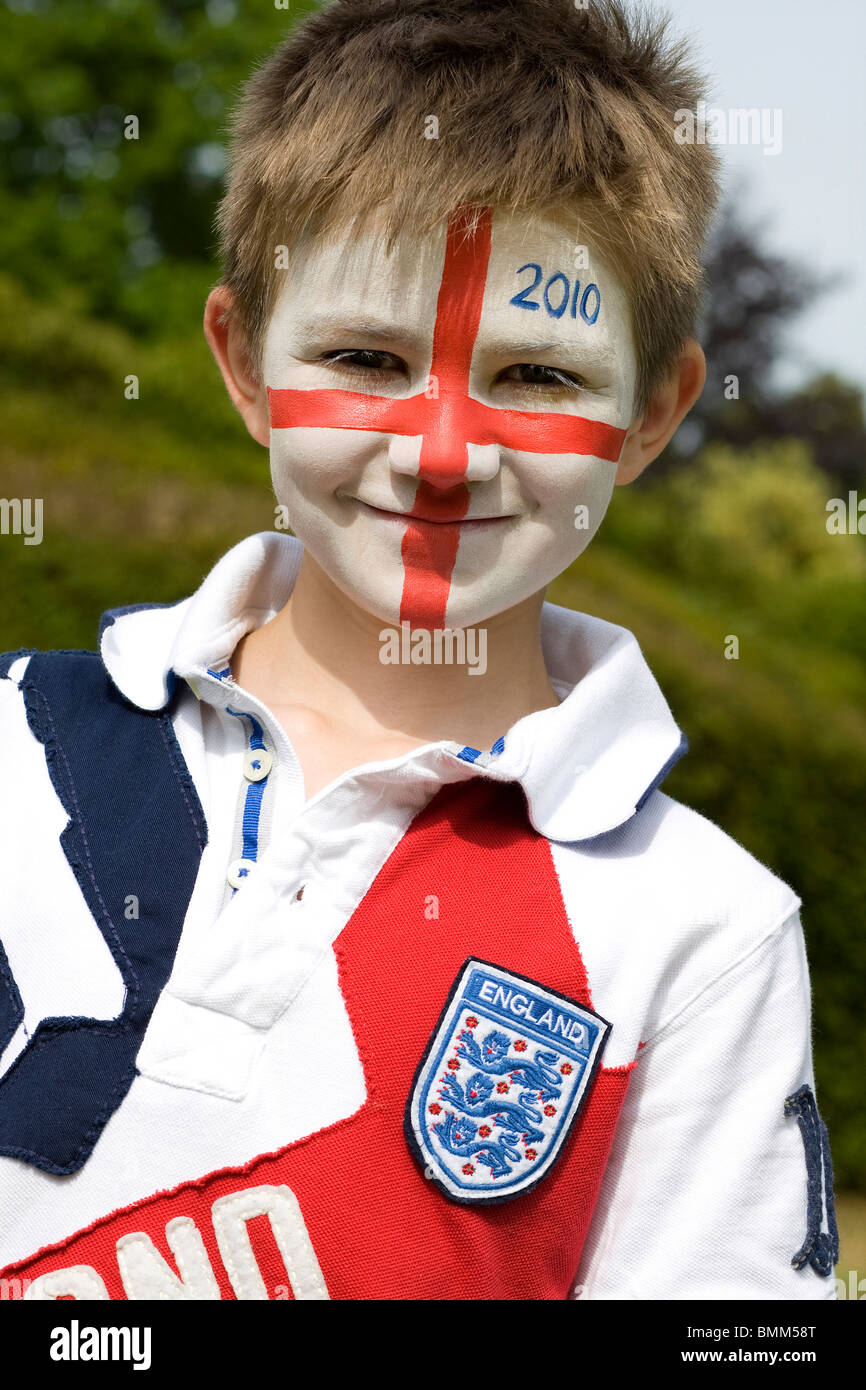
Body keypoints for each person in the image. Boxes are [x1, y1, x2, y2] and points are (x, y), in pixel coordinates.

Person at [0, 0, 837, 1301]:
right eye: (361, 356)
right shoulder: (12, 746)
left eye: (538, 376)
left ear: (654, 411)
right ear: (241, 362)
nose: (442, 454)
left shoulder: (700, 930)